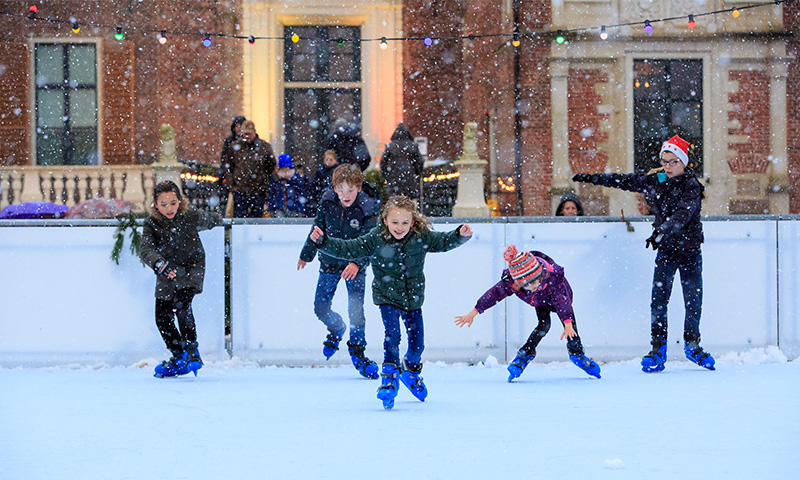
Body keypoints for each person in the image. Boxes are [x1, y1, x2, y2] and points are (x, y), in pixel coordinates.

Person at [309, 195, 472, 409]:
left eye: (405, 222)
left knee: (417, 344)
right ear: (385, 220)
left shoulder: (419, 236)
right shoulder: (376, 238)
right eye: (395, 222)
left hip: (413, 298)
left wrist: (459, 235)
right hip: (387, 297)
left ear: (412, 222)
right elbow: (349, 248)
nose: (399, 227)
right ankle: (390, 376)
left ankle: (411, 372)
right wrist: (323, 243)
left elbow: (442, 241)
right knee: (392, 335)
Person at [572, 135, 715, 373]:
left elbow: (683, 214)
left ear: (683, 162)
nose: (668, 166)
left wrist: (661, 232)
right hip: (667, 252)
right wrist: (593, 178)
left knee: (693, 301)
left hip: (689, 252)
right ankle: (658, 350)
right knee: (659, 301)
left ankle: (693, 346)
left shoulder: (692, 186)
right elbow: (626, 181)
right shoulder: (658, 179)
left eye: (673, 162)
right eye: (665, 161)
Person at [454, 245, 601, 381]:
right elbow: (494, 294)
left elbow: (561, 302)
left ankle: (577, 354)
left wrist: (567, 323)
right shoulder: (514, 282)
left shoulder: (553, 280)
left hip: (560, 297)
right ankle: (524, 355)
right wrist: (475, 311)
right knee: (544, 326)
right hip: (540, 300)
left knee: (571, 329)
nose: (531, 287)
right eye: (526, 284)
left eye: (533, 282)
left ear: (540, 275)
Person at [298, 164, 380, 378]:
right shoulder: (327, 203)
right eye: (341, 189)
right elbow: (317, 229)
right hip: (330, 262)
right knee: (320, 307)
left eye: (351, 190)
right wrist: (306, 254)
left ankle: (358, 353)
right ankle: (336, 328)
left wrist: (357, 263)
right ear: (334, 188)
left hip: (355, 266)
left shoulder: (367, 207)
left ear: (359, 188)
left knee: (356, 311)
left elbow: (370, 240)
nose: (346, 195)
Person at [139, 181, 223, 378]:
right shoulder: (151, 224)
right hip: (166, 272)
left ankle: (192, 351)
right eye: (164, 204)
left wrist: (217, 217)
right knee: (161, 316)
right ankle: (179, 356)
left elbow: (211, 219)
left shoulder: (190, 215)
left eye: (173, 203)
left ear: (180, 201)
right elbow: (145, 249)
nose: (169, 208)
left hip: (191, 269)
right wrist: (159, 264)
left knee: (181, 305)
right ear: (155, 204)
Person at [222, 120, 276, 218]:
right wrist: (232, 184)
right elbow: (228, 166)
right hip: (240, 190)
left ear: (254, 132)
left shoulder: (264, 147)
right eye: (245, 134)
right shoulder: (235, 147)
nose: (247, 136)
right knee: (240, 219)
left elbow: (271, 166)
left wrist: (264, 183)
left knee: (256, 219)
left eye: (249, 134)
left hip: (258, 191)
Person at [380, 123, 424, 201]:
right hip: (410, 178)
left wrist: (387, 175)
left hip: (394, 178)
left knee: (395, 202)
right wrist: (416, 173)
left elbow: (383, 162)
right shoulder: (413, 146)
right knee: (409, 202)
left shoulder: (391, 146)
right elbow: (419, 162)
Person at [308, 149, 339, 214]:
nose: (329, 162)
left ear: (335, 161)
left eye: (331, 160)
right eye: (327, 159)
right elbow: (315, 186)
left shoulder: (337, 172)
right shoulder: (320, 172)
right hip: (321, 198)